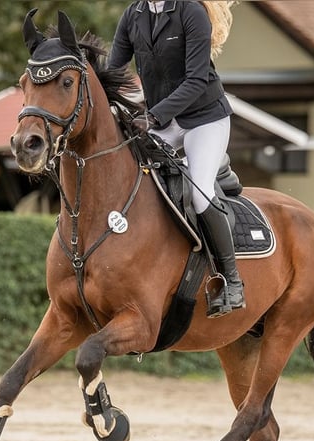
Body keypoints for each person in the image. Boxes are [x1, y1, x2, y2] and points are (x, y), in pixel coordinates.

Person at [108, 0, 244, 318]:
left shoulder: (190, 12)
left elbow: (197, 80)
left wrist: (153, 117)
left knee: (199, 195)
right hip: (164, 122)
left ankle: (232, 282)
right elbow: (113, 71)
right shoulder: (133, 15)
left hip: (204, 119)